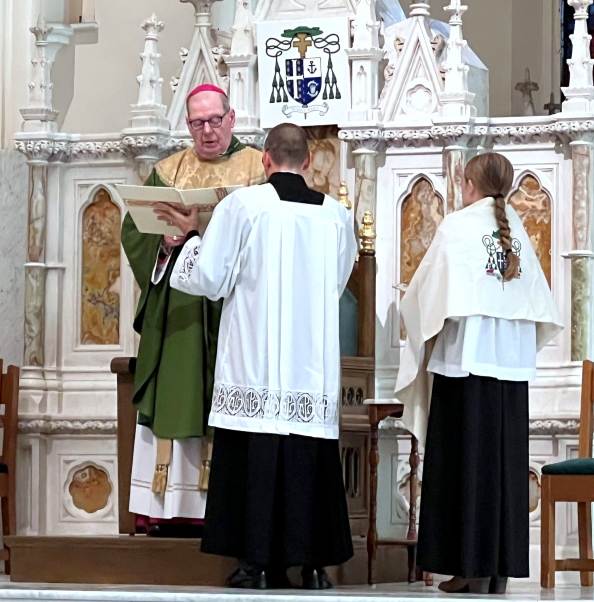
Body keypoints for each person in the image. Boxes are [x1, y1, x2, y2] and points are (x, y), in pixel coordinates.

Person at [157, 123, 356, 589]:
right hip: (309, 366)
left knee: (255, 460)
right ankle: (313, 567)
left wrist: (188, 239)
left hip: (255, 361)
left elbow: (208, 279)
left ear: (265, 160)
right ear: (308, 162)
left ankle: (255, 564)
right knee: (308, 459)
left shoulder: (242, 207)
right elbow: (338, 281)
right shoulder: (336, 217)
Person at [395, 152, 562, 594]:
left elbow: (425, 294)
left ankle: (467, 566)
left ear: (469, 184)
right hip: (509, 371)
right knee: (502, 468)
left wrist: (409, 308)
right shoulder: (518, 231)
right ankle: (498, 568)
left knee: (463, 465)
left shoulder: (458, 226)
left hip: (465, 368)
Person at [122, 83, 265, 535]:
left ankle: (226, 509)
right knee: (179, 395)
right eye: (197, 123)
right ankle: (170, 509)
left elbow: (267, 236)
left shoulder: (256, 169)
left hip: (232, 307)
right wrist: (164, 243)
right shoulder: (169, 171)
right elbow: (133, 231)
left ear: (232, 118)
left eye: (214, 121)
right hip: (180, 312)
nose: (206, 131)